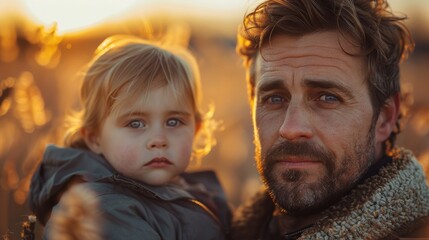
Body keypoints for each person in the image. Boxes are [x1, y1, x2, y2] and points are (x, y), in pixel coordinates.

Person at [231, 0, 429, 239]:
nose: (291, 128)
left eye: (327, 97)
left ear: (384, 118)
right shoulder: (219, 228)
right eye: (274, 99)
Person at [28, 35, 231, 239]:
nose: (158, 139)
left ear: (195, 130)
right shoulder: (104, 209)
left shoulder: (191, 191)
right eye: (136, 123)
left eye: (173, 121)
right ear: (94, 138)